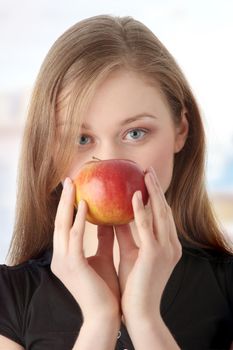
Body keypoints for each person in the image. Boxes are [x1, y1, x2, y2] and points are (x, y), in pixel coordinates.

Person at [0, 14, 232, 350]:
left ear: (181, 129)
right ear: (48, 149)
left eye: (135, 133)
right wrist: (99, 323)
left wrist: (145, 319)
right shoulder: (9, 299)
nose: (108, 160)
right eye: (81, 139)